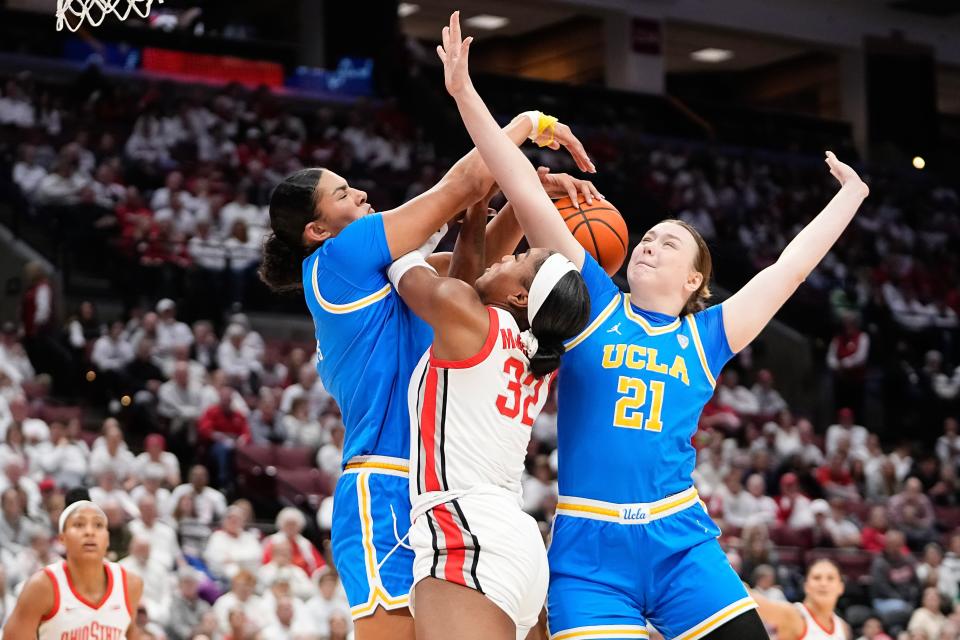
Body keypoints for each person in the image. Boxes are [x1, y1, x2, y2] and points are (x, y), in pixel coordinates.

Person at [436, 11, 870, 639]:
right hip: (589, 553)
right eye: (648, 237)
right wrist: (466, 95)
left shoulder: (708, 335)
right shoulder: (593, 305)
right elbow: (520, 184)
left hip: (679, 543)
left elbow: (789, 269)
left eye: (669, 244)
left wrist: (850, 197)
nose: (649, 244)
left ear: (694, 280)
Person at [259, 31, 595, 639]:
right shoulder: (339, 257)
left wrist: (531, 198)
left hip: (441, 500)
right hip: (386, 480)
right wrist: (525, 125)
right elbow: (460, 190)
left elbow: (478, 275)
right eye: (342, 193)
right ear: (316, 229)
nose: (359, 192)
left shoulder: (389, 269)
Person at [388, 174, 589, 639]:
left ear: (521, 297)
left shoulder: (470, 319)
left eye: (518, 258)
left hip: (467, 532)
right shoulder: (533, 352)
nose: (506, 255)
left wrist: (465, 194)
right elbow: (466, 281)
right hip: (512, 547)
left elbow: (399, 260)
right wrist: (478, 211)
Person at [1, 500, 143, 639]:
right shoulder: (42, 586)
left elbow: (131, 633)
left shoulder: (130, 584)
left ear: (107, 539)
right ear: (62, 538)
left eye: (98, 525)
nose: (89, 532)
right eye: (79, 524)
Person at [752, 559, 849, 640]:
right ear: (806, 586)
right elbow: (752, 601)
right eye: (817, 578)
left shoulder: (842, 627)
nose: (823, 583)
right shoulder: (793, 615)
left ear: (841, 587)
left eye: (830, 578)